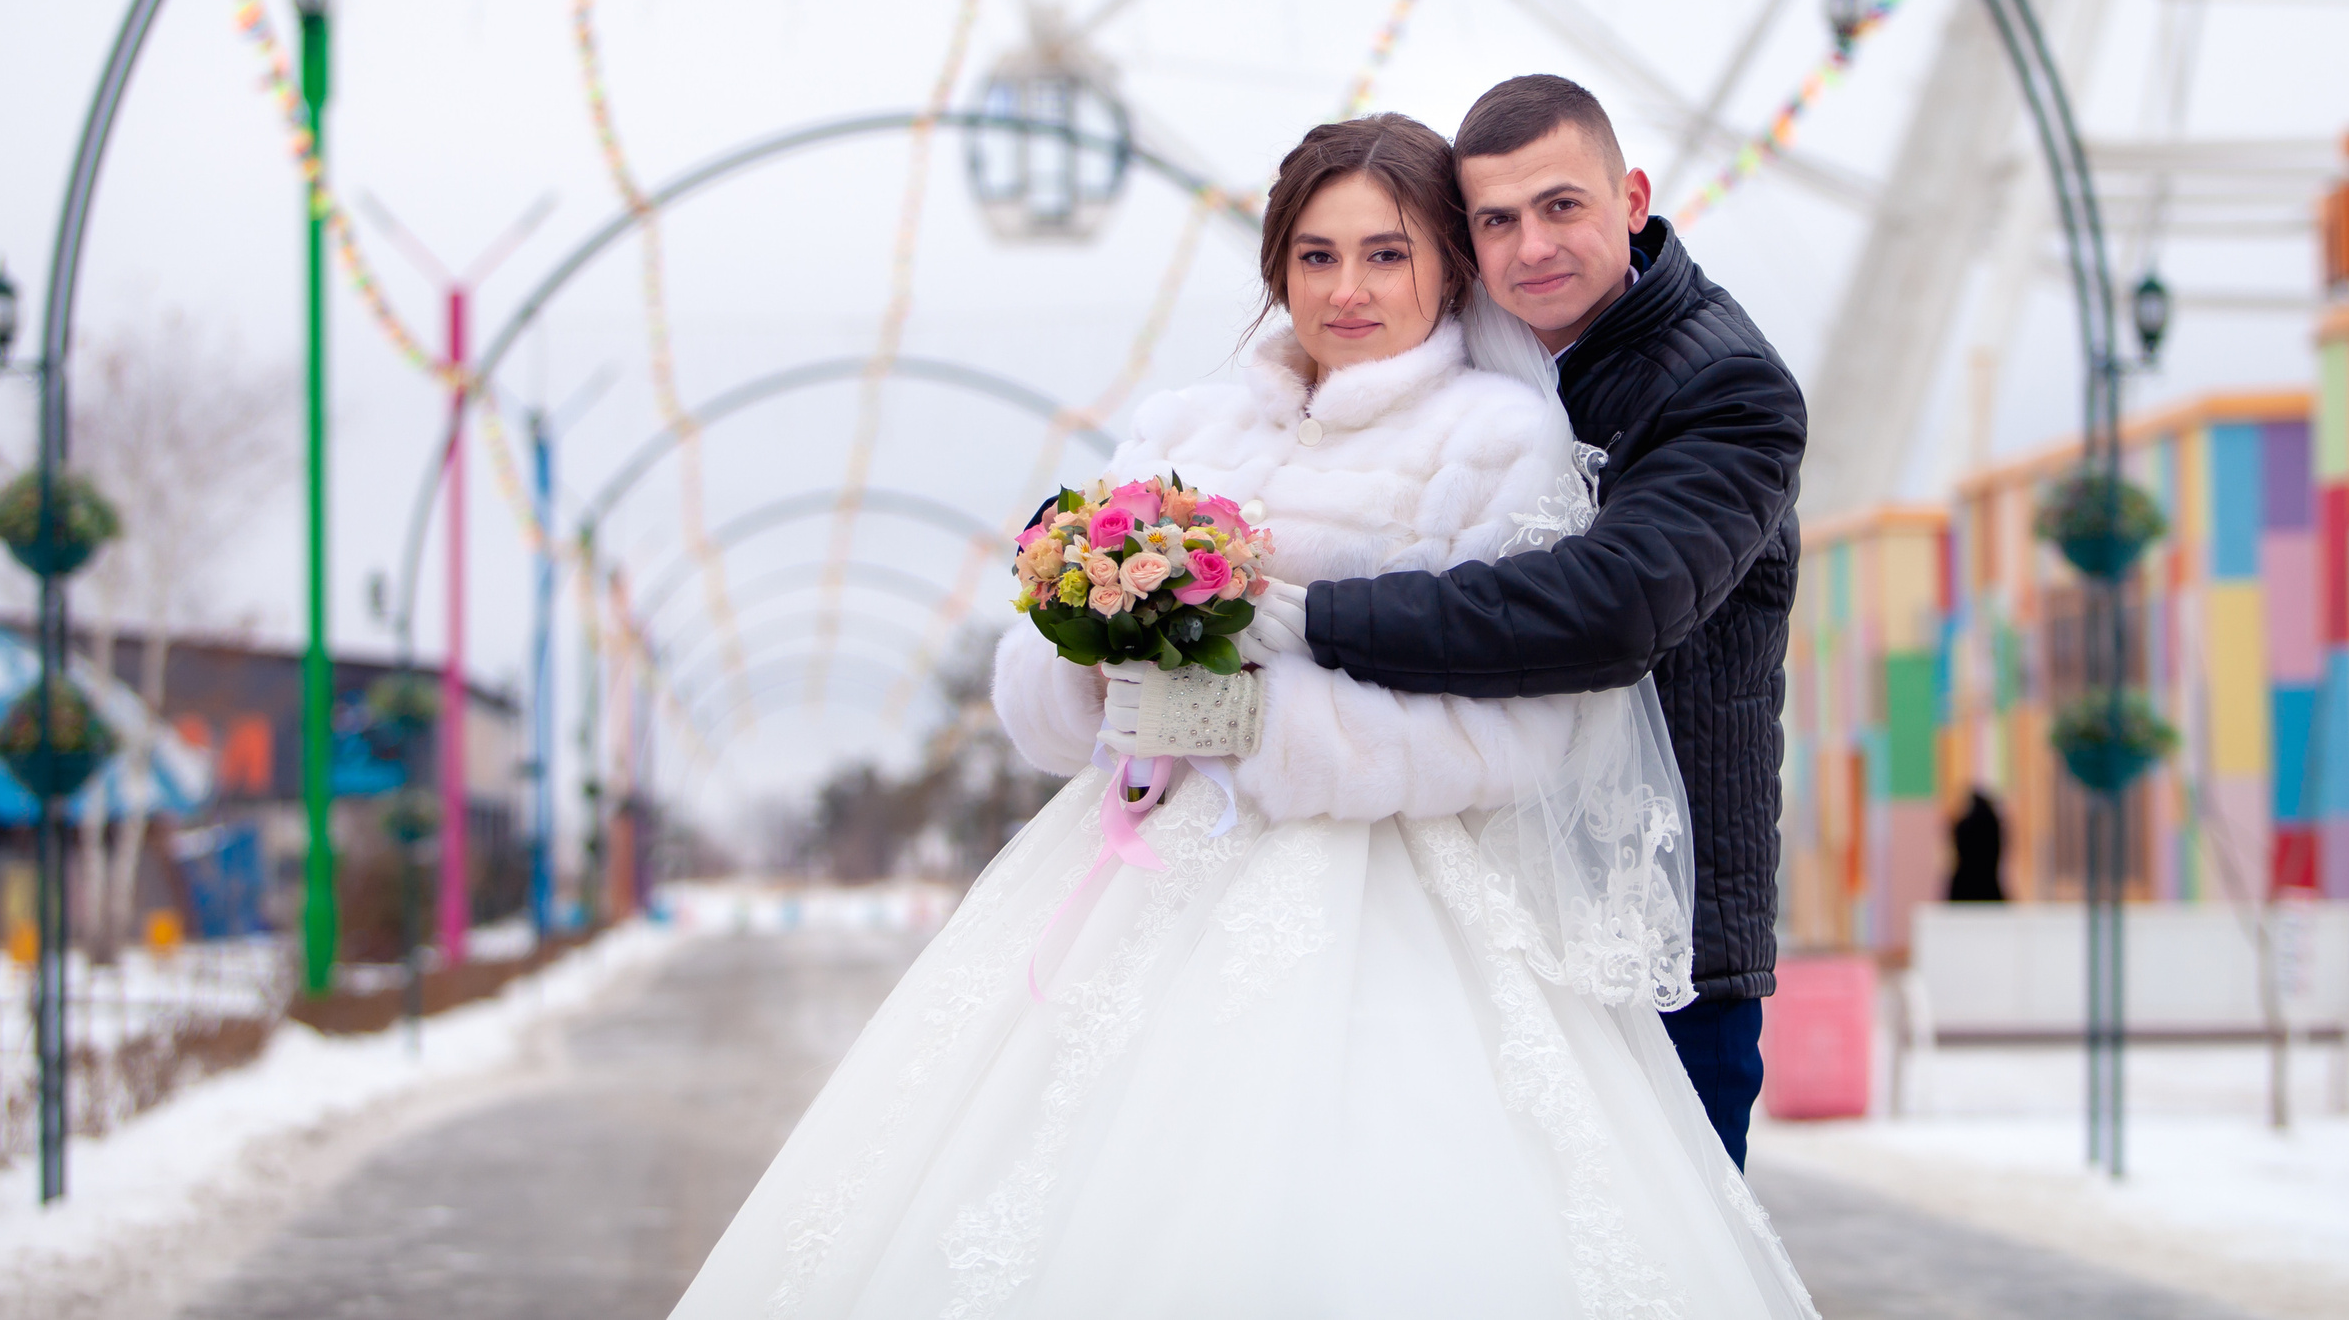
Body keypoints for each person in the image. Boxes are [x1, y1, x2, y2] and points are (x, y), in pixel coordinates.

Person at [667, 114, 1814, 1318]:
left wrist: (1249, 719)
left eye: (1386, 254)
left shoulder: (1499, 439)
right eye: (1316, 256)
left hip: (1404, 914)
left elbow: (1531, 716)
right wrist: (1099, 675)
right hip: (1141, 895)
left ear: (1443, 269)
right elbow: (1044, 678)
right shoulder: (1184, 434)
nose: (1349, 289)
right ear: (1276, 269)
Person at [1301, 75, 1808, 1171]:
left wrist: (1313, 621)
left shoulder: (1726, 389)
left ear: (1630, 198)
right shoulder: (1485, 367)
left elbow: (1609, 612)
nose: (1531, 245)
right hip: (1487, 923)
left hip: (1657, 944)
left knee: (1662, 1269)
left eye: (1561, 205)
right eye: (1496, 220)